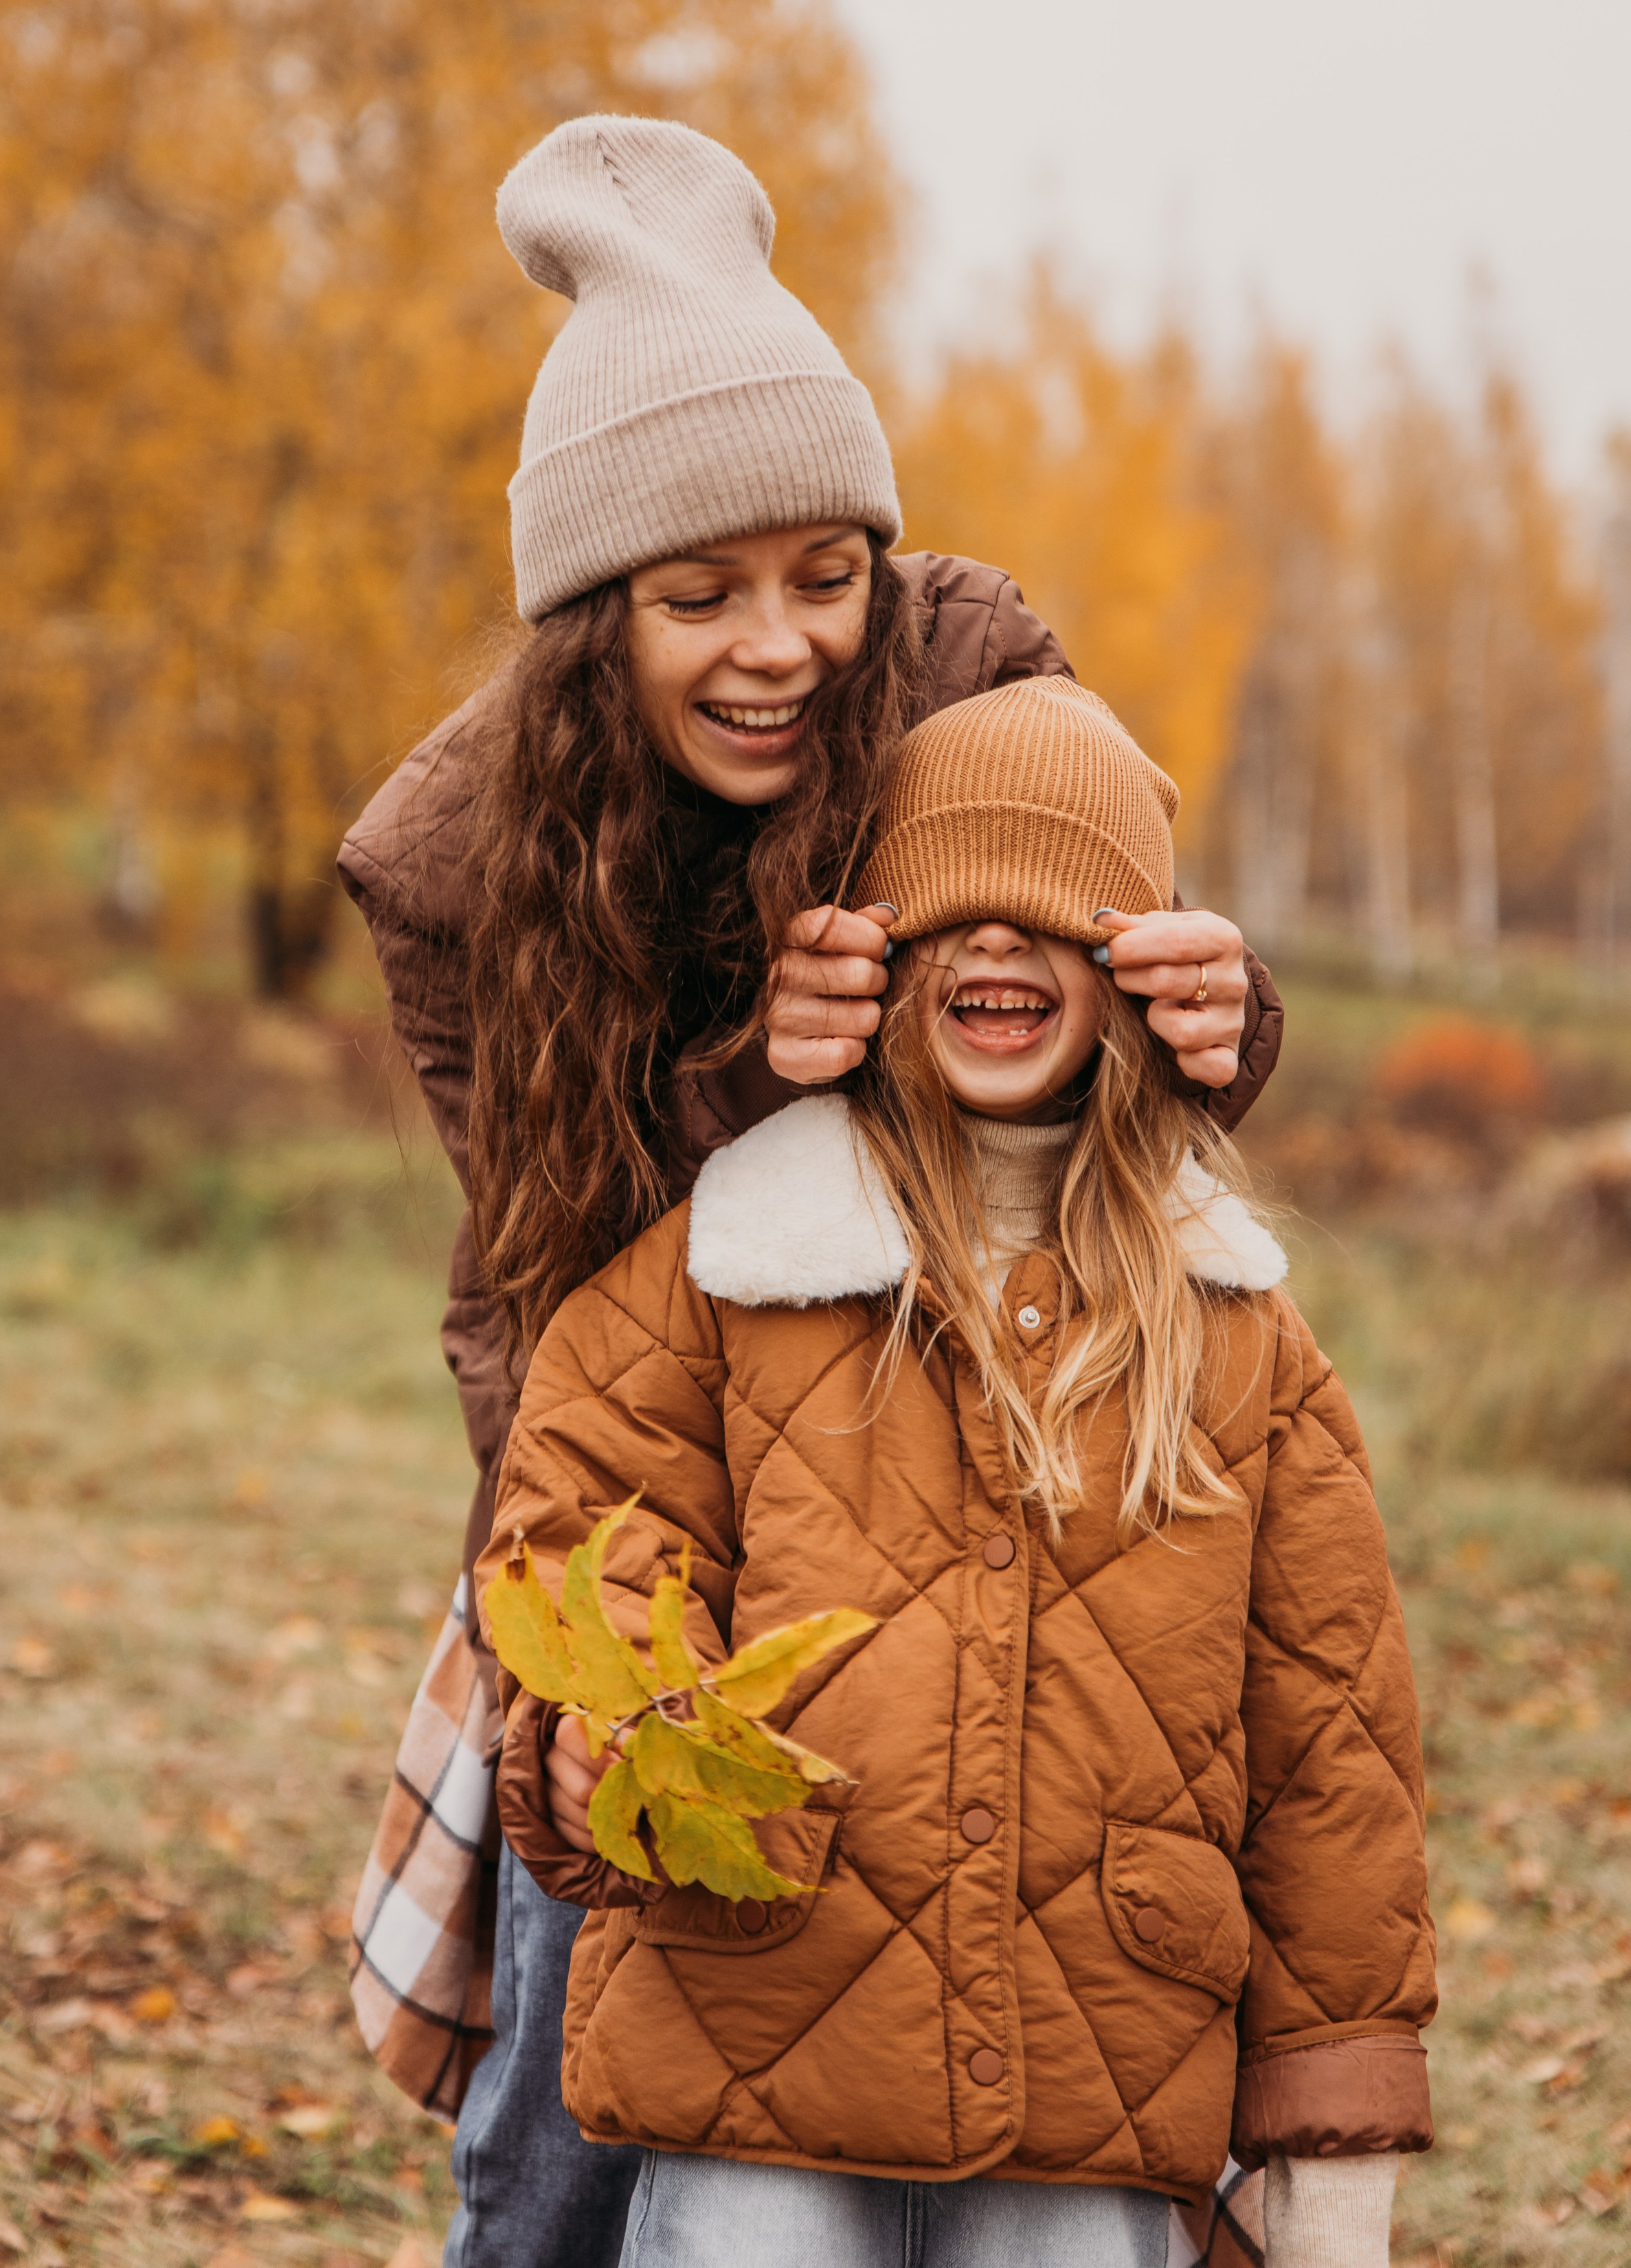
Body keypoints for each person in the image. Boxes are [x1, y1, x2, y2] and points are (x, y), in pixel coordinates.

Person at [338, 114, 1284, 2268]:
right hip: (644, 1485)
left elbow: (1118, 1017)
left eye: (824, 573)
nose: (781, 646)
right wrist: (750, 1076)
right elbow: (555, 1281)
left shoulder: (967, 672)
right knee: (586, 2092)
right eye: (700, 598)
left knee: (1035, 2060)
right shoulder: (457, 863)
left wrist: (1219, 1017)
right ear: (594, 617)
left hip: (989, 1460)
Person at [485, 674, 1436, 2268]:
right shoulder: (726, 1268)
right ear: (874, 961)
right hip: (759, 2033)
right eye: (945, 914)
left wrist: (1331, 2135)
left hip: (1098, 2068)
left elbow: (1329, 1754)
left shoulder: (1233, 1332)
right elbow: (592, 1533)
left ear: (1136, 975)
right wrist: (609, 1732)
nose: (996, 938)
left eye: (1056, 915)